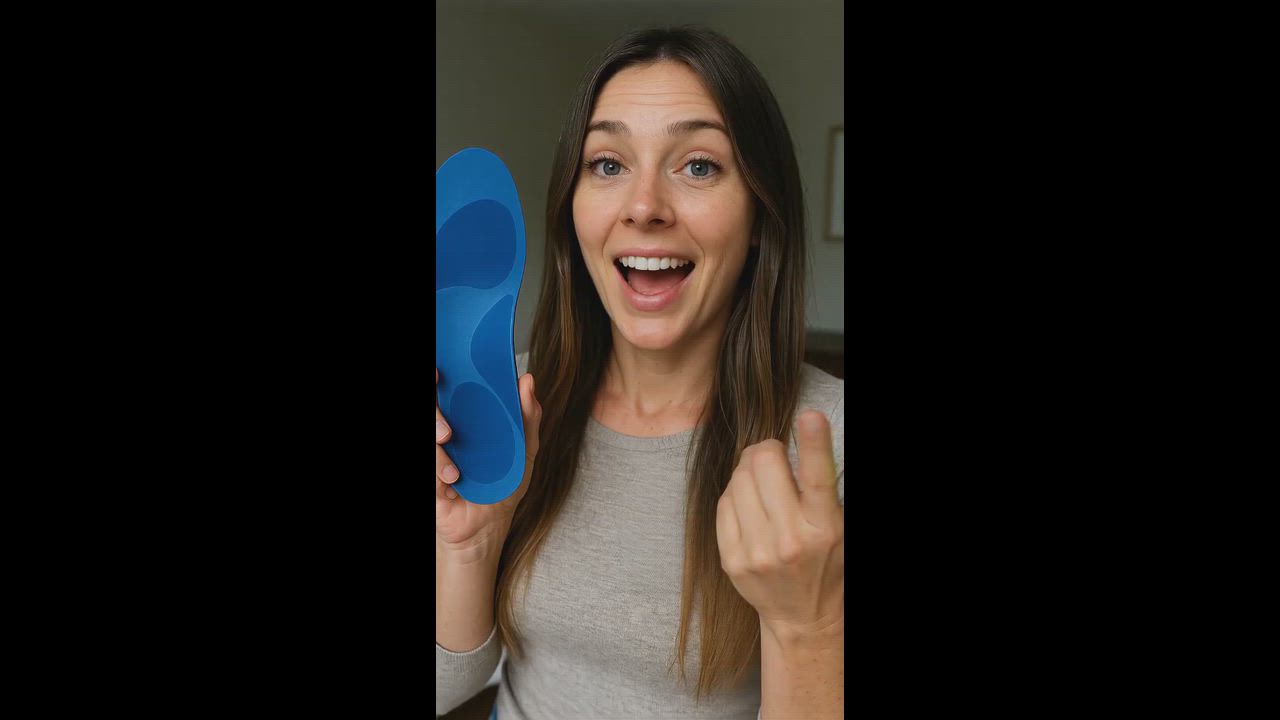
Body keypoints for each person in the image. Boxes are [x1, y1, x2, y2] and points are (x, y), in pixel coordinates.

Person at [436, 26, 844, 720]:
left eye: (699, 166)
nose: (645, 206)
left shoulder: (827, 446)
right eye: (608, 164)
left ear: (759, 214)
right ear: (571, 209)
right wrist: (469, 546)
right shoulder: (513, 406)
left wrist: (809, 627)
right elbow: (450, 689)